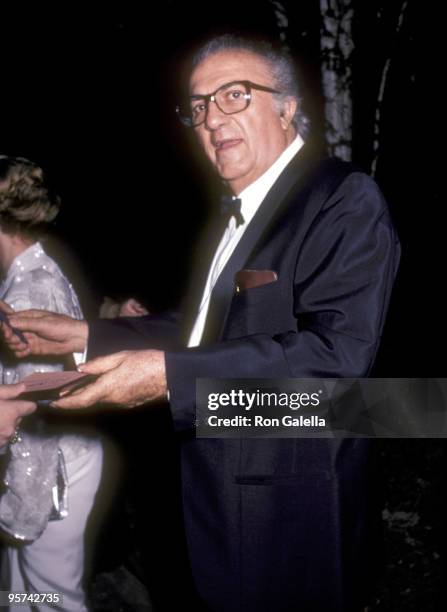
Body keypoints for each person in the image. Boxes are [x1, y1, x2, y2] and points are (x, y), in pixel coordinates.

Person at [0, 35, 401, 611]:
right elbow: (210, 330)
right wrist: (89, 335)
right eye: (200, 105)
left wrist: (167, 376)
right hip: (211, 504)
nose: (213, 118)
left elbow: (337, 360)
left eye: (235, 95)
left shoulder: (341, 197)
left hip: (285, 517)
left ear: (287, 107)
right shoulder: (236, 210)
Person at [0, 156, 103, 611]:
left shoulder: (29, 289)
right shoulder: (27, 274)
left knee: (55, 599)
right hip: (41, 461)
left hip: (53, 469)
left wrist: (24, 505)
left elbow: (42, 396)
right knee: (22, 593)